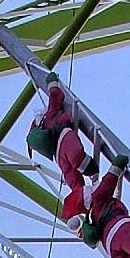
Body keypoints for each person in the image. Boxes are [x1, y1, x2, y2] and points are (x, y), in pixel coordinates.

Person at [27, 76, 98, 225]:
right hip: (65, 137)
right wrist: (52, 83)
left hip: (60, 152)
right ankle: (87, 170)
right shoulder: (51, 117)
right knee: (76, 156)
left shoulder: (48, 122)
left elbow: (71, 177)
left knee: (73, 174)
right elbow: (56, 95)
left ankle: (84, 197)